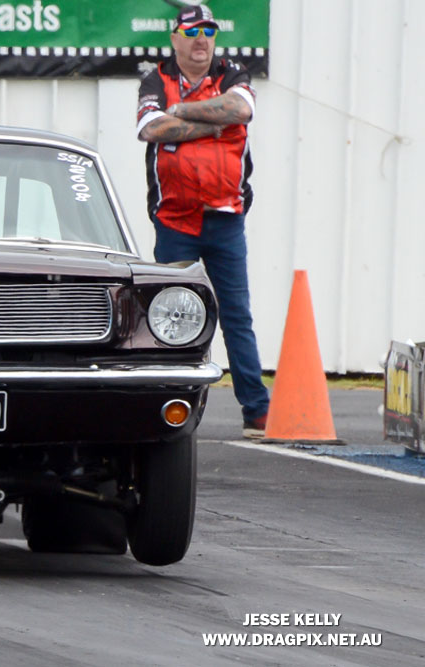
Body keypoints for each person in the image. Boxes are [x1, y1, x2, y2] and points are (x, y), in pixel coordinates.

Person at [136, 3, 269, 439]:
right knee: (169, 318)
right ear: (174, 38)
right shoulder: (156, 79)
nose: (201, 40)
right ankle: (164, 409)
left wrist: (181, 111)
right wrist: (213, 125)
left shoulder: (232, 72)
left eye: (208, 32)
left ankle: (257, 411)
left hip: (225, 220)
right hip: (175, 221)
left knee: (237, 316)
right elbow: (151, 129)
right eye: (192, 32)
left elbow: (241, 109)